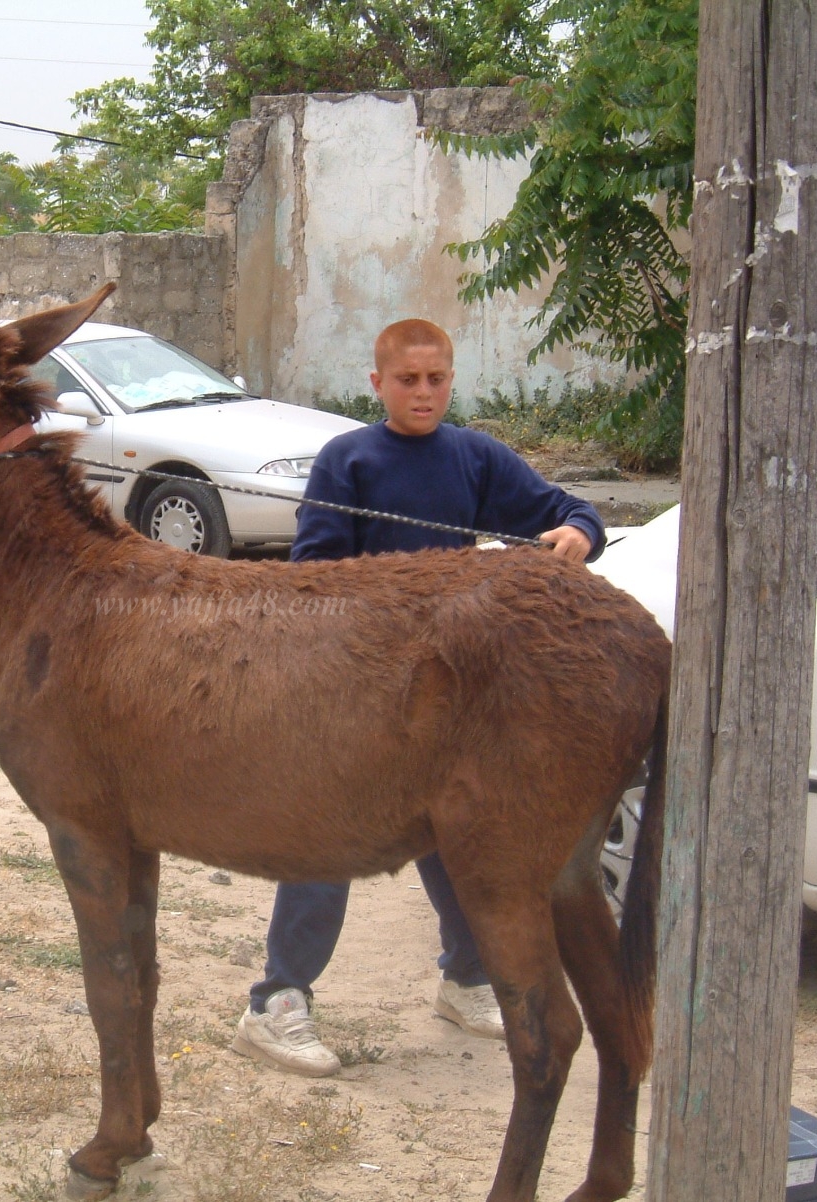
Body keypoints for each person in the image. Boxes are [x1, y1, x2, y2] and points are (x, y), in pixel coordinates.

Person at [229, 318, 606, 1078]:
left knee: (451, 832)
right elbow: (313, 578)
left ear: (451, 378)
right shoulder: (349, 459)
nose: (424, 393)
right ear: (379, 384)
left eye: (436, 379)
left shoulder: (474, 456)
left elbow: (567, 509)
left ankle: (467, 981)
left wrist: (577, 534)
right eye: (408, 380)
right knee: (326, 835)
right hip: (354, 696)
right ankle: (276, 1002)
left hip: (443, 698)